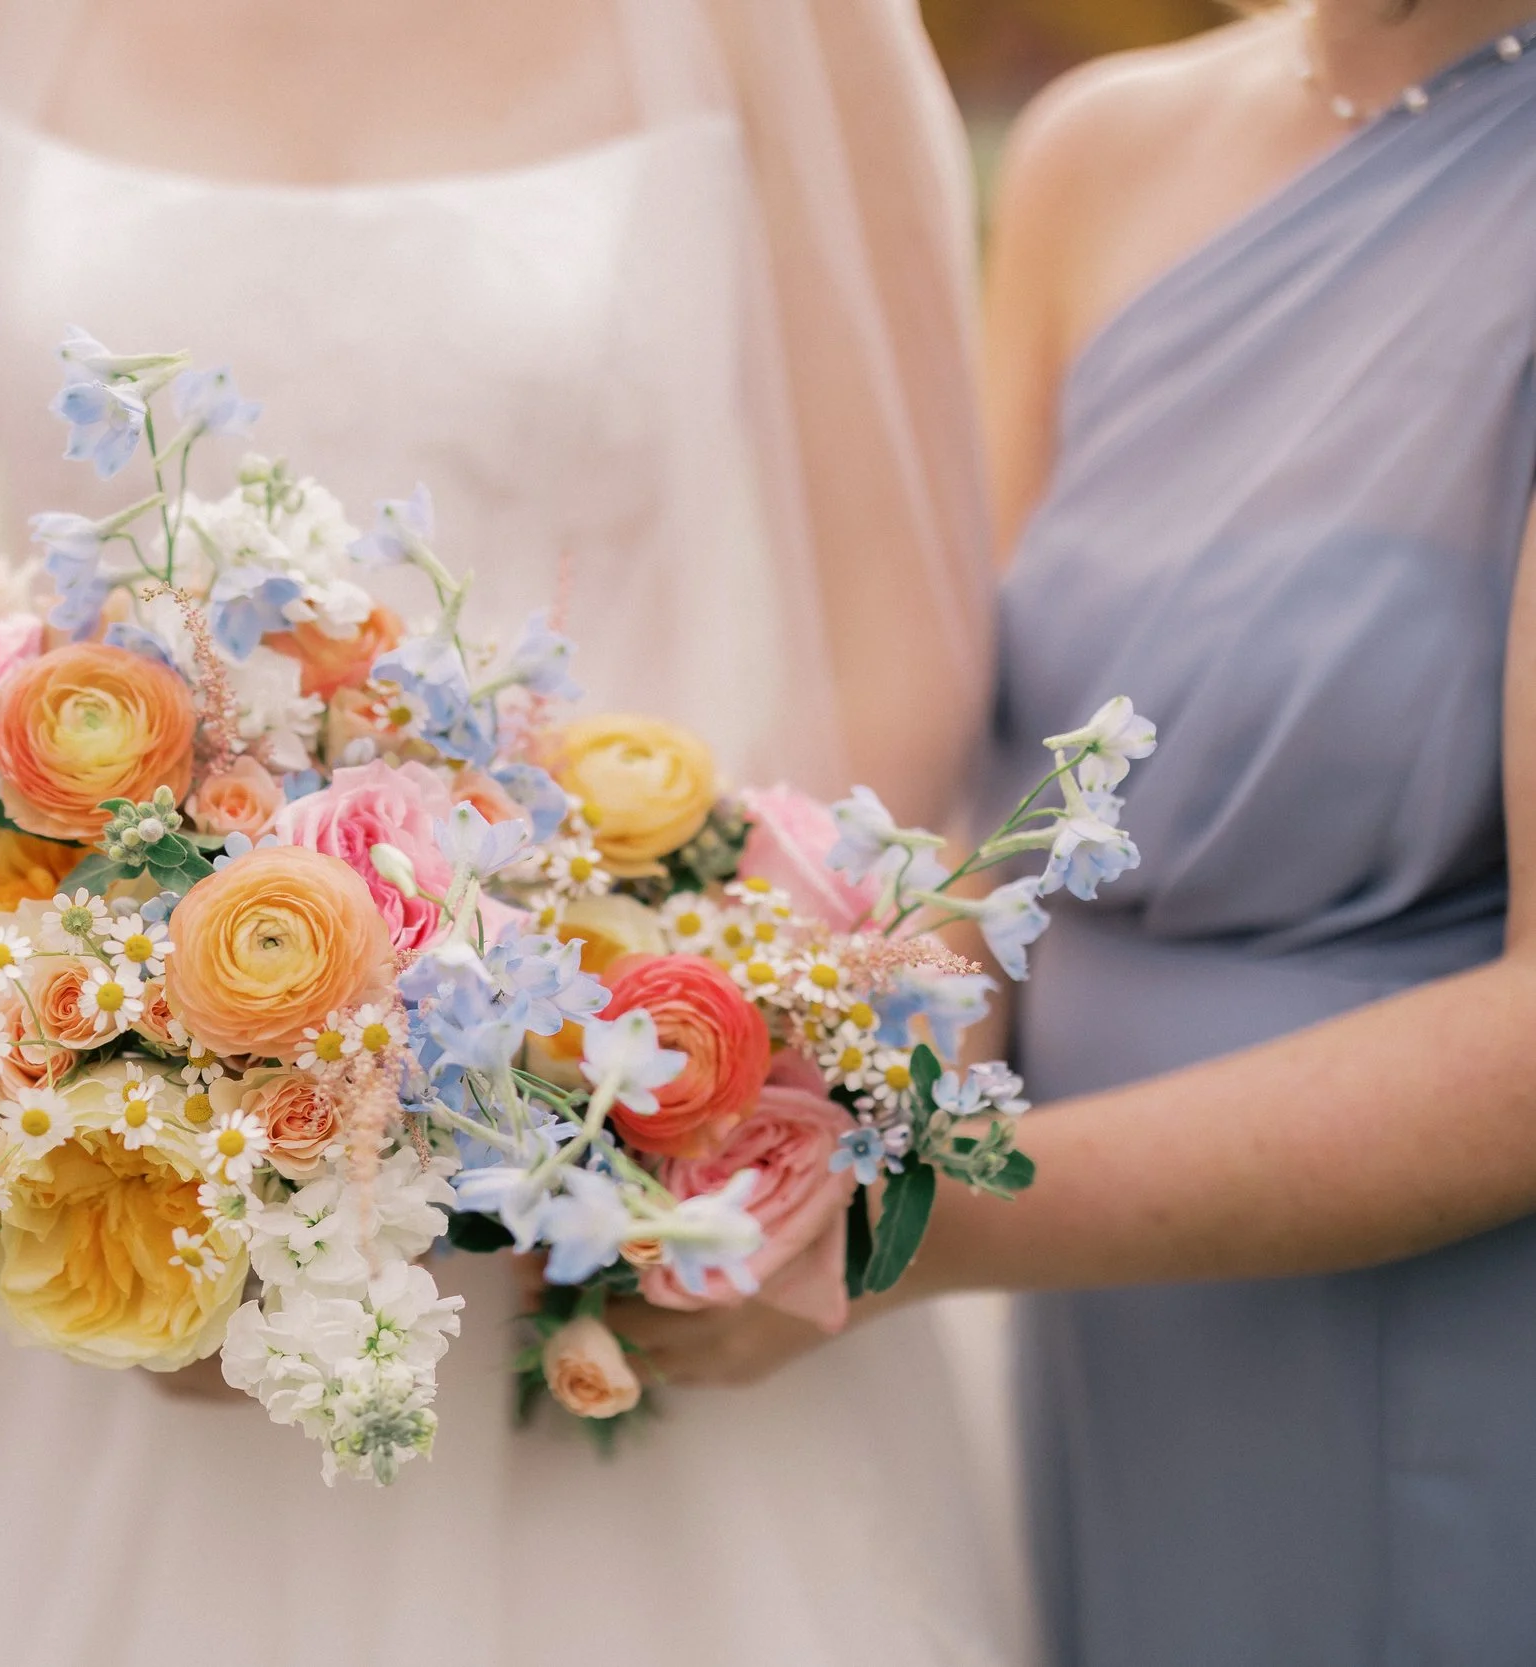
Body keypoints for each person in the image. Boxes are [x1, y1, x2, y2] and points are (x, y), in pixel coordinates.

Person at [0, 3, 1036, 1664]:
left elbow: (902, 665)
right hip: (81, 1148)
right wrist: (108, 1096)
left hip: (600, 1128)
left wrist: (655, 1075)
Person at [656, 1, 1536, 1662]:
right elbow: (991, 815)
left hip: (1418, 1344)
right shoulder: (1102, 148)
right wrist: (756, 1098)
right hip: (1105, 1342)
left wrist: (913, 1224)